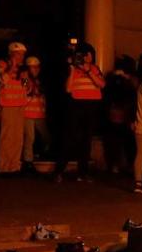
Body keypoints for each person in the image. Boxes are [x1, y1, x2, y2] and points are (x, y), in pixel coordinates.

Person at [60, 43, 105, 181]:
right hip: (77, 106)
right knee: (71, 138)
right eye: (86, 55)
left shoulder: (94, 69)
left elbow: (102, 84)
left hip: (91, 107)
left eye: (90, 54)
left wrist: (88, 71)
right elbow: (68, 89)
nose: (89, 57)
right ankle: (59, 170)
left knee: (86, 140)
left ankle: (83, 173)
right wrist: (73, 70)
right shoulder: (74, 70)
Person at [0, 42, 30, 175]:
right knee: (6, 137)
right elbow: (2, 80)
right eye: (18, 54)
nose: (21, 57)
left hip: (19, 105)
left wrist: (25, 79)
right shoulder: (1, 65)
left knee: (17, 138)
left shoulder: (23, 69)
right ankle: (3, 167)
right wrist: (11, 68)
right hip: (6, 105)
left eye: (23, 54)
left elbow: (26, 87)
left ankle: (14, 166)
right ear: (11, 54)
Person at [22, 56, 50, 168]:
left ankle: (44, 153)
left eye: (37, 67)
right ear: (28, 68)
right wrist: (26, 80)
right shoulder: (24, 78)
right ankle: (28, 162)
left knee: (46, 136)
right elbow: (24, 90)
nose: (36, 69)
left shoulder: (40, 80)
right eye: (33, 67)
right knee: (29, 138)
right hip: (27, 113)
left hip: (39, 113)